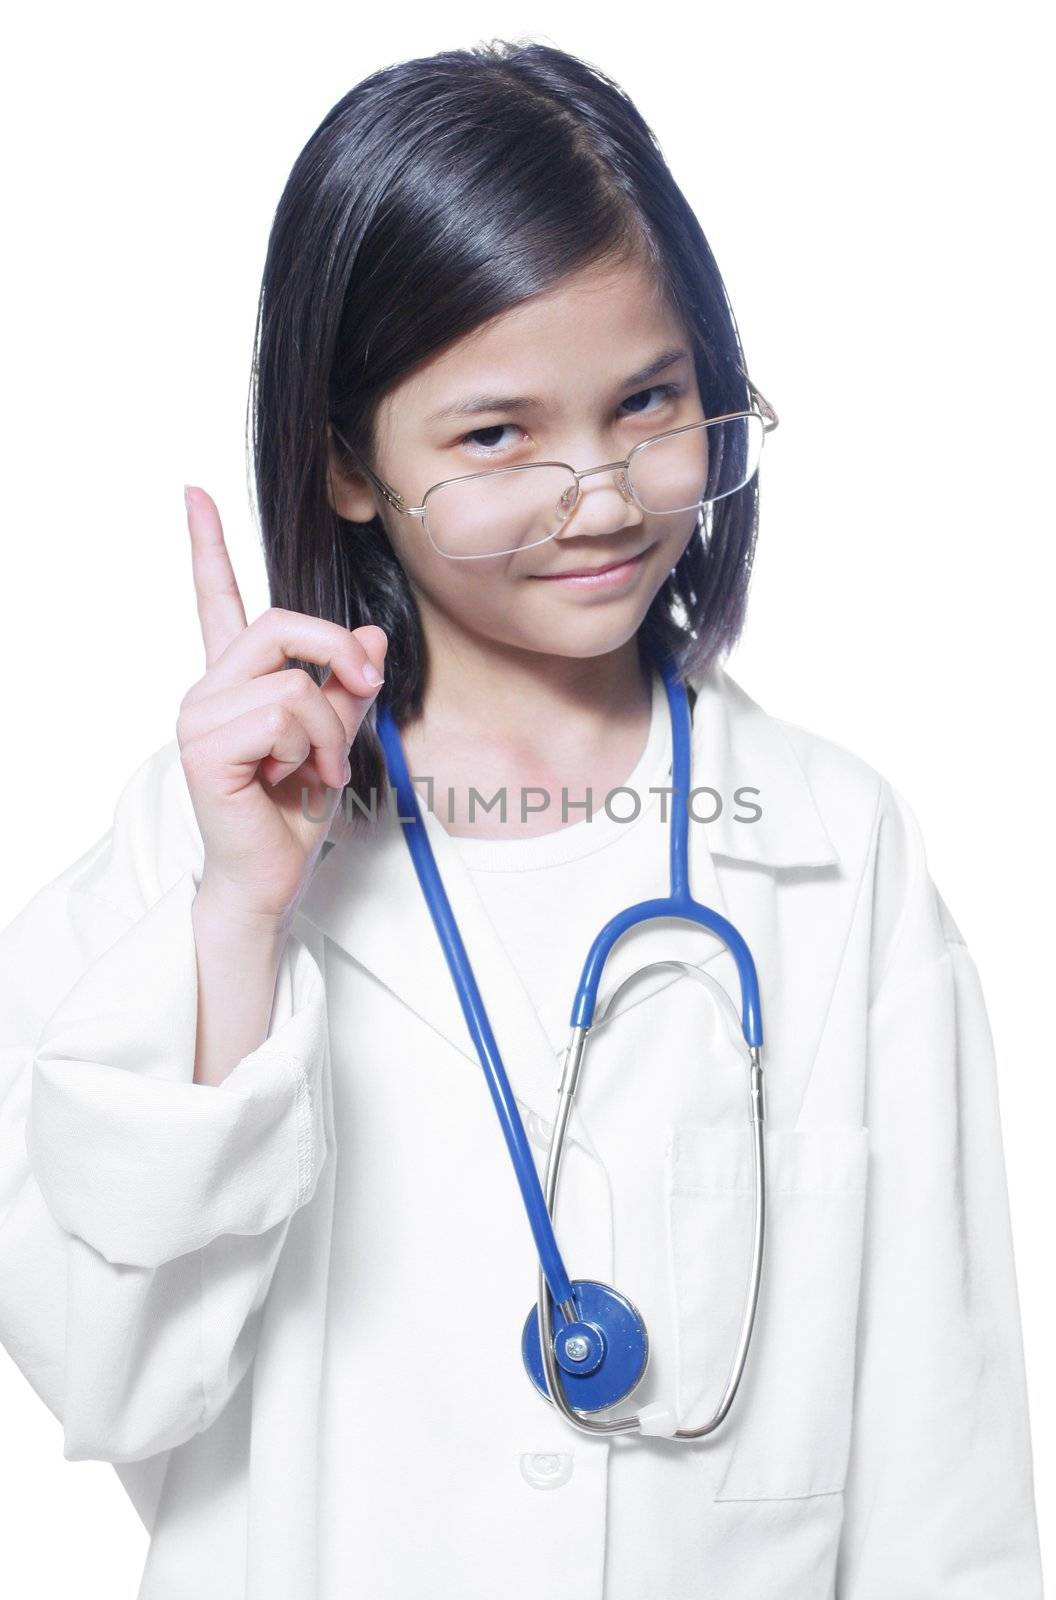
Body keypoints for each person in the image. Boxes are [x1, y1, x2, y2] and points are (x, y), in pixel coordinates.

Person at [0, 36, 1044, 1600]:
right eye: (497, 436)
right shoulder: (200, 847)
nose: (604, 494)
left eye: (649, 402)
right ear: (350, 467)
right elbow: (111, 1381)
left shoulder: (835, 848)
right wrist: (237, 923)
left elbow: (941, 1478)